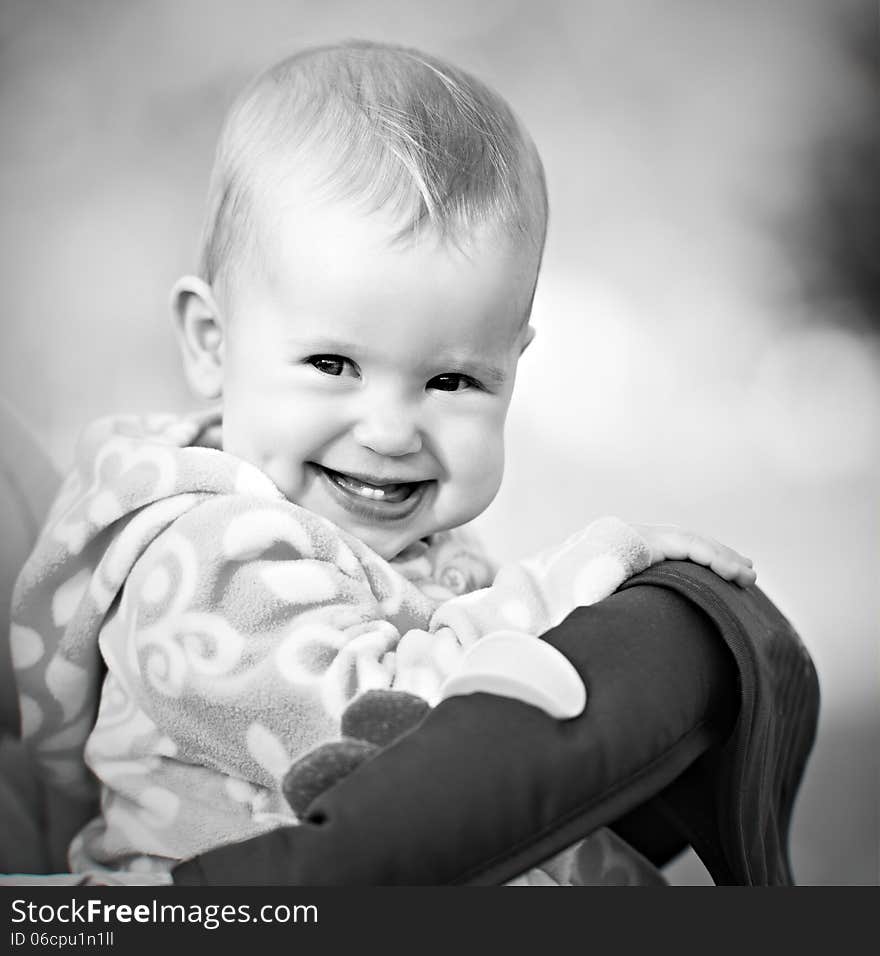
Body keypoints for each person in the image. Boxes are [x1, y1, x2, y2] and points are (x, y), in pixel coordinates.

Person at [9, 41, 755, 883]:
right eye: (333, 365)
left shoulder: (415, 549)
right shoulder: (200, 563)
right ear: (213, 344)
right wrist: (571, 587)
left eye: (452, 379)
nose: (394, 430)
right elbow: (394, 740)